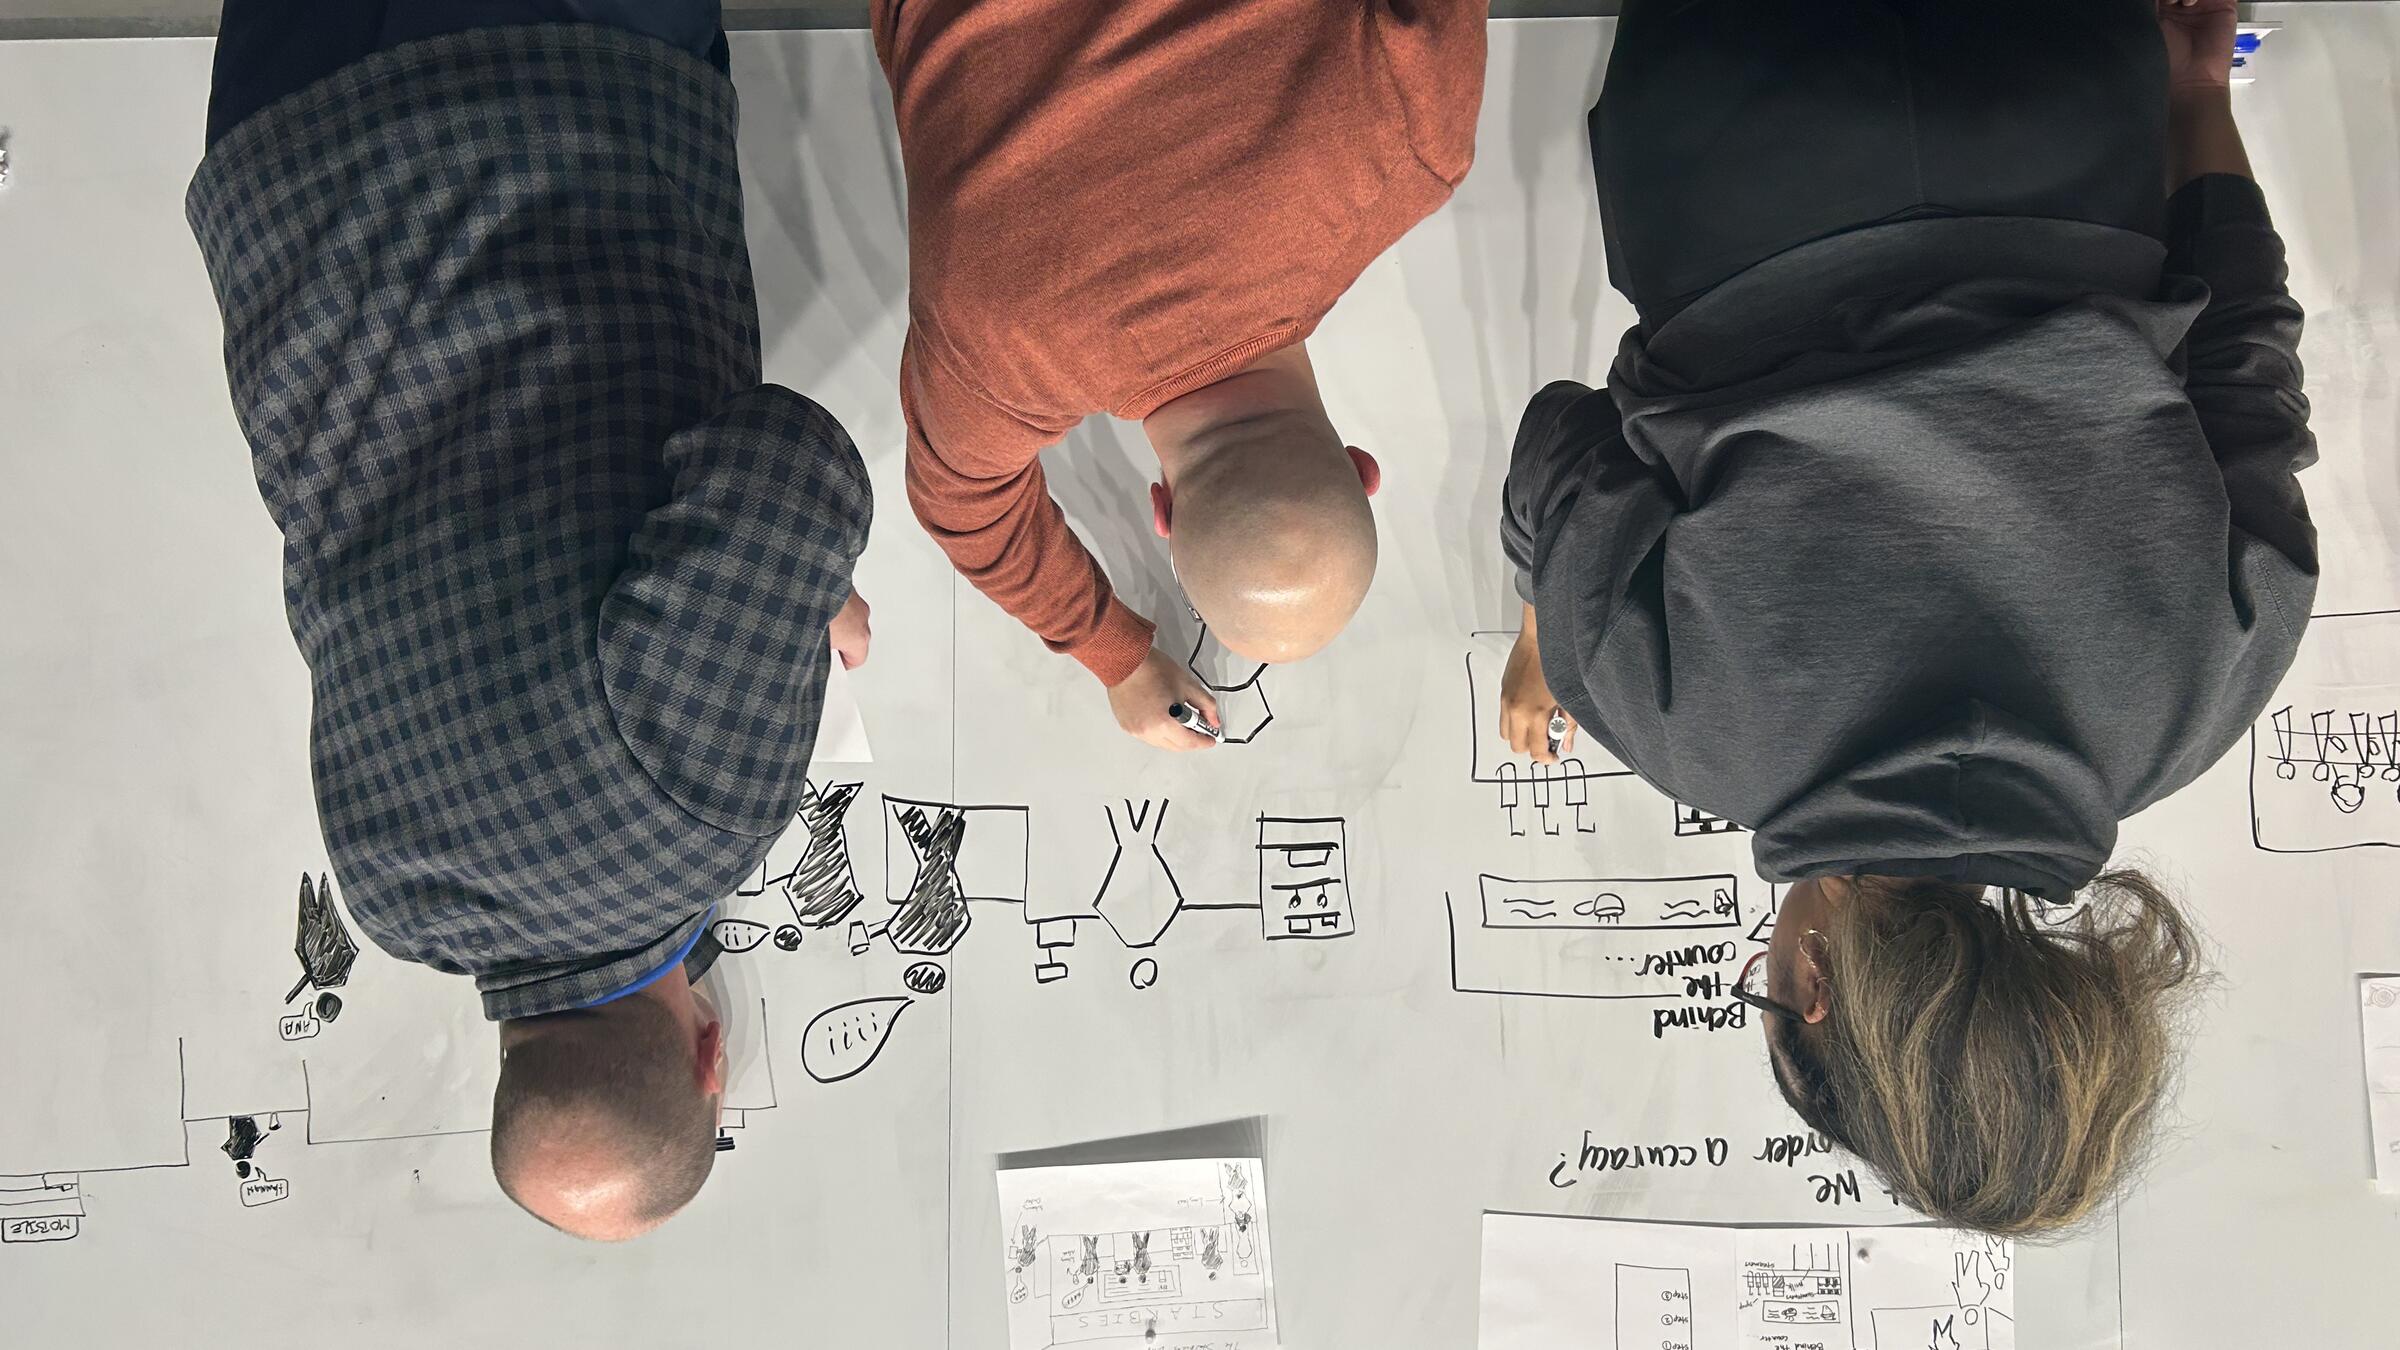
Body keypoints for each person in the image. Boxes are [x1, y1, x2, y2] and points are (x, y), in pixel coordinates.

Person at [1498, 0, 2310, 1235]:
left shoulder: (2208, 696)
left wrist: (2194, 91)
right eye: (1769, 994)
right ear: (1814, 983)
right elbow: (1559, 438)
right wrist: (1548, 629)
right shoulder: (1683, 728)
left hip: (2063, 111)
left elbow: (2245, 359)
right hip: (1733, 131)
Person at [187, 0, 874, 1240]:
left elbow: (789, 467)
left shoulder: (700, 823)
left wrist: (808, 586)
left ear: (708, 1057)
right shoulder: (388, 897)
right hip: (284, 166)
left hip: (539, 100)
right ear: (507, 1068)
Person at [872, 0, 1488, 749]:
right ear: (1160, 510)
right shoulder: (995, 357)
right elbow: (963, 512)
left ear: (1364, 468)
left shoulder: (1415, 140)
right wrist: (1113, 657)